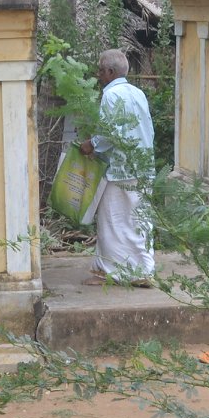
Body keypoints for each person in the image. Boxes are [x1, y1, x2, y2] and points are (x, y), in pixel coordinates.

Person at [79, 48, 155, 286]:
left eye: (100, 71)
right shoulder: (138, 93)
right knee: (139, 220)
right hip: (143, 166)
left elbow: (109, 134)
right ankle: (143, 269)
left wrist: (91, 145)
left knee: (111, 220)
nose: (98, 76)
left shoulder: (111, 96)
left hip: (120, 169)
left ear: (110, 72)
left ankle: (109, 271)